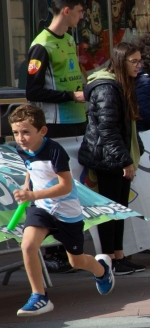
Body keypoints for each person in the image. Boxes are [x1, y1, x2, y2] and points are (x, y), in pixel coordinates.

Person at [10, 104, 115, 316]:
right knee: (28, 244)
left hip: (67, 213)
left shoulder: (55, 151)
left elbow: (65, 186)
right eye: (15, 133)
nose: (20, 138)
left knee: (75, 261)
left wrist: (32, 195)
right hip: (42, 210)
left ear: (42, 131)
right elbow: (30, 169)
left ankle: (102, 270)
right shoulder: (22, 149)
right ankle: (39, 296)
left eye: (26, 132)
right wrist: (26, 188)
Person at [25, 0, 88, 274]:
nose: (81, 16)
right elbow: (33, 90)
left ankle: (70, 246)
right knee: (55, 186)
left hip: (77, 120)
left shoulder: (69, 39)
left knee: (74, 187)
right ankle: (55, 251)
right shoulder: (42, 45)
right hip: (57, 123)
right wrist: (69, 96)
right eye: (78, 11)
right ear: (66, 10)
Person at [78, 42, 147, 275]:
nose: (139, 66)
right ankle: (108, 258)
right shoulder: (107, 87)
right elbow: (107, 129)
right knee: (109, 209)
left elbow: (125, 125)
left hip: (116, 155)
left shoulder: (120, 83)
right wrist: (124, 160)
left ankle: (119, 255)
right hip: (107, 158)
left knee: (119, 207)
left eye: (140, 61)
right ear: (120, 61)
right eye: (134, 61)